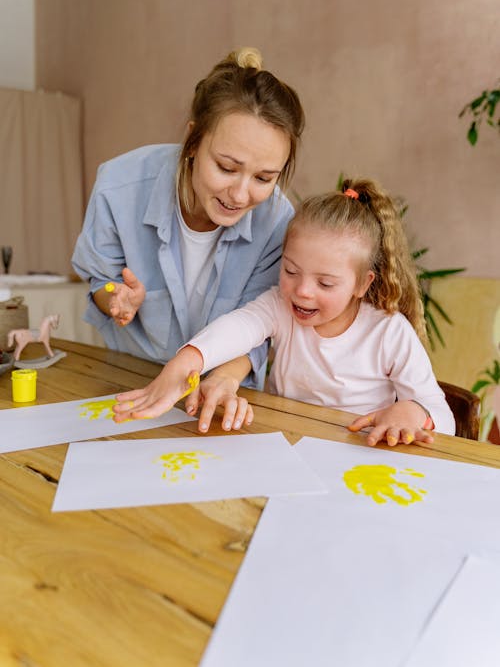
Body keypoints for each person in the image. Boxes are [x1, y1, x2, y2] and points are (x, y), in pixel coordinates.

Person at [112, 178, 456, 447]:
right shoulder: (280, 306)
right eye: (291, 271)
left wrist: (415, 412)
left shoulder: (387, 332)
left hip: (358, 456)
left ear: (362, 284)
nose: (302, 290)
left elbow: (443, 417)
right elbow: (239, 327)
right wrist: (187, 361)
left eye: (325, 283)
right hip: (286, 447)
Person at [72, 47, 305, 389]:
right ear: (192, 142)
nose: (240, 195)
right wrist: (115, 298)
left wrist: (224, 379)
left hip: (219, 392)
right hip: (130, 382)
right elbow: (100, 281)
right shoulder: (118, 187)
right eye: (227, 168)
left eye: (264, 178)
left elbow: (260, 321)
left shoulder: (276, 221)